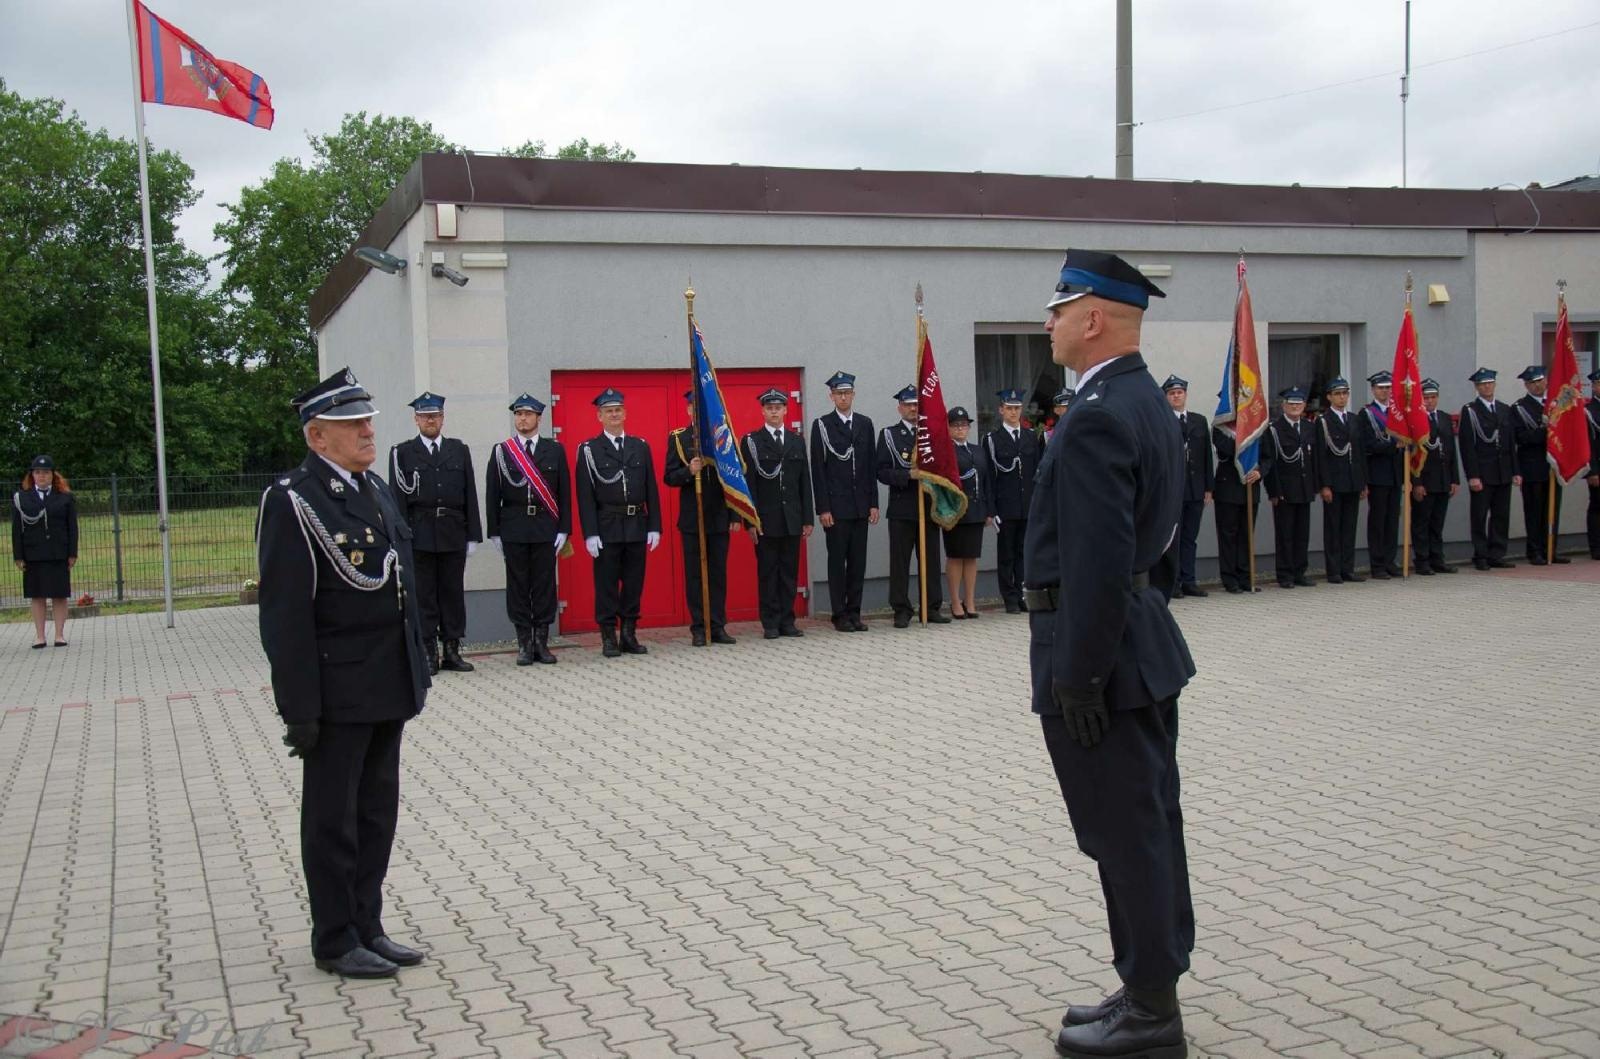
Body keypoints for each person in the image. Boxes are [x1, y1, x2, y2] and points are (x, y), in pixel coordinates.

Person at [1025, 249, 1195, 1058]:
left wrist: (1078, 678)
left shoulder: (1097, 413)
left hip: (1103, 653)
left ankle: (1153, 1012)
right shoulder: (1144, 399)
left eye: (1059, 307)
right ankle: (1146, 984)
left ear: (1093, 317)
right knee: (1145, 823)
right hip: (1137, 634)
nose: (1047, 321)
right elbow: (1151, 537)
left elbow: (1096, 558)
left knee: (1124, 832)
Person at [255, 367, 429, 979]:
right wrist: (298, 708)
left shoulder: (372, 488)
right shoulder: (293, 500)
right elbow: (285, 615)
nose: (365, 430)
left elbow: (400, 587)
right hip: (336, 689)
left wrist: (418, 670)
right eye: (351, 423)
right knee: (334, 819)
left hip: (387, 682)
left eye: (367, 419)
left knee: (377, 812)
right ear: (316, 436)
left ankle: (368, 924)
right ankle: (333, 937)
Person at [389, 392, 482, 675]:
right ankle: (428, 652)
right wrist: (400, 538)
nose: (431, 420)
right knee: (425, 595)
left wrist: (473, 535)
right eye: (425, 416)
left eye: (435, 415)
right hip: (420, 534)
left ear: (443, 418)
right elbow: (397, 500)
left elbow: (470, 494)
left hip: (453, 531)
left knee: (452, 593)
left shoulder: (458, 450)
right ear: (416, 420)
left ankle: (452, 651)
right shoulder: (402, 453)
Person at [575, 388, 661, 657]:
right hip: (607, 525)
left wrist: (654, 526)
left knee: (634, 583)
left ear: (625, 413)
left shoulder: (640, 446)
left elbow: (651, 489)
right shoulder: (589, 449)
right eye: (608, 411)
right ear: (599, 416)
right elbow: (585, 494)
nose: (614, 414)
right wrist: (590, 532)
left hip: (636, 522)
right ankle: (608, 636)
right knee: (607, 584)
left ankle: (629, 634)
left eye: (618, 409)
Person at [485, 394, 570, 666]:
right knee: (519, 586)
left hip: (545, 526)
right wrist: (495, 531)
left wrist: (564, 528)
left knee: (544, 586)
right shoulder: (502, 451)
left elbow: (564, 493)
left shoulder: (554, 450)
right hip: (515, 527)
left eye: (528, 414)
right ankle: (523, 643)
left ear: (539, 418)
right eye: (518, 414)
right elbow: (492, 493)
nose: (522, 419)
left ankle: (541, 644)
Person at [664, 390, 737, 646]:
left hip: (718, 516)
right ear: (688, 410)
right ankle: (698, 628)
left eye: (703, 408)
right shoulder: (678, 438)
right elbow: (669, 477)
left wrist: (734, 514)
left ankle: (717, 626)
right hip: (692, 518)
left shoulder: (722, 437)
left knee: (718, 574)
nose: (699, 412)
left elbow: (733, 478)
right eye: (694, 408)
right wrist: (688, 471)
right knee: (695, 575)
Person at [809, 371, 879, 632]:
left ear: (853, 395)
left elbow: (870, 466)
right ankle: (839, 613)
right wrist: (823, 508)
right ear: (831, 396)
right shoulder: (822, 425)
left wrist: (873, 502)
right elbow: (818, 470)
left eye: (847, 393)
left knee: (858, 562)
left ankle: (854, 612)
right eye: (838, 393)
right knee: (837, 562)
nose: (843, 397)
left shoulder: (865, 423)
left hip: (860, 505)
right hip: (836, 509)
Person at [876, 385, 951, 626]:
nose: (912, 409)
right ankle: (901, 609)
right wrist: (908, 475)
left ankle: (931, 607)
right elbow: (882, 472)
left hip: (928, 507)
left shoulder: (931, 434)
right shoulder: (889, 435)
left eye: (916, 405)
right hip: (901, 508)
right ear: (899, 407)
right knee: (900, 563)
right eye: (908, 404)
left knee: (930, 561)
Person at [743, 389, 813, 639]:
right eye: (769, 407)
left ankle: (787, 621)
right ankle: (770, 623)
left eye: (778, 407)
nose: (774, 411)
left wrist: (807, 518)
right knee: (768, 573)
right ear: (762, 411)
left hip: (792, 519)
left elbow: (805, 481)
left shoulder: (796, 441)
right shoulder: (752, 441)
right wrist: (750, 521)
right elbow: (748, 484)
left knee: (789, 573)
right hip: (766, 520)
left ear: (786, 410)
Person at [12, 455, 77, 649]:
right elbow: (17, 529)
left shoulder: (64, 497)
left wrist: (72, 553)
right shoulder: (21, 498)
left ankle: (59, 634)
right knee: (37, 595)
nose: (41, 476)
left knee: (59, 595)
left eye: (46, 472)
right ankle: (40, 636)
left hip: (58, 552)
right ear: (32, 475)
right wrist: (18, 555)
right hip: (34, 554)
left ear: (52, 475)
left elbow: (72, 527)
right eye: (37, 472)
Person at [984, 388, 1040, 613]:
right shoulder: (993, 439)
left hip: (1027, 505)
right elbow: (989, 476)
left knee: (1024, 553)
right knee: (1006, 554)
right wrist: (992, 508)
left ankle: (1023, 594)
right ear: (1001, 410)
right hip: (1005, 507)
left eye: (1017, 408)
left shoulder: (1030, 436)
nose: (1014, 412)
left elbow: (1037, 472)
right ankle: (1009, 598)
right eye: (1009, 408)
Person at [1459, 368, 1520, 570]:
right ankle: (1481, 555)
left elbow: (1511, 443)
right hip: (1483, 473)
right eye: (1482, 384)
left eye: (1490, 383)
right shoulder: (1470, 411)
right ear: (1476, 387)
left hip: (1503, 471)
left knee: (1501, 515)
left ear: (1494, 384)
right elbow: (1467, 446)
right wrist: (1473, 475)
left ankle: (1497, 554)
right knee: (1479, 515)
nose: (1487, 387)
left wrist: (1516, 471)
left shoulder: (1504, 409)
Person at [1512, 364, 1568, 565]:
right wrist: (1545, 429)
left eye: (1540, 381)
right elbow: (1521, 437)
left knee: (1552, 510)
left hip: (1553, 466)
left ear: (1546, 381)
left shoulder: (1555, 404)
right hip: (1532, 466)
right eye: (1532, 383)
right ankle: (1534, 551)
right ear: (1526, 385)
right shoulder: (1520, 408)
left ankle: (1551, 548)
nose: (1537, 386)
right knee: (1534, 511)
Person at [1163, 376, 1213, 597]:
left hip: (1195, 489)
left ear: (1185, 395)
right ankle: (1172, 583)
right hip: (1173, 490)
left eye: (1180, 392)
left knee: (1190, 538)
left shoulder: (1198, 421)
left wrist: (1208, 488)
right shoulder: (1162, 421)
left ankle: (1189, 580)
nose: (1176, 396)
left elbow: (1206, 458)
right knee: (1173, 539)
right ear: (1166, 397)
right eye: (1172, 393)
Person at [1212, 415, 1272, 594]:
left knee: (1247, 534)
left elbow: (1268, 456)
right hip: (1228, 487)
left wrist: (1260, 471)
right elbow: (1227, 450)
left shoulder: (1259, 425)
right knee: (1228, 535)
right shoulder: (1220, 426)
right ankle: (1230, 579)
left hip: (1250, 487)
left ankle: (1246, 577)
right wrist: (1247, 436)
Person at [1316, 378, 1367, 583]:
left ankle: (1348, 568)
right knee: (1333, 528)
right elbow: (1321, 456)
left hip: (1353, 481)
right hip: (1335, 483)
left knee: (1349, 527)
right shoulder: (1323, 421)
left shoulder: (1354, 419)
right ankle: (1334, 570)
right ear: (1329, 397)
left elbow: (1360, 453)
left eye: (1345, 393)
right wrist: (1325, 485)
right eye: (1337, 394)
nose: (1342, 397)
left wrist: (1363, 482)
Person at [1354, 371, 1405, 579]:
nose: (1385, 391)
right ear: (1373, 390)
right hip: (1377, 474)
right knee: (1378, 520)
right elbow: (1367, 445)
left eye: (1387, 388)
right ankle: (1377, 564)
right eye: (1381, 388)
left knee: (1393, 519)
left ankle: (1389, 560)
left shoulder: (1398, 413)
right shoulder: (1366, 414)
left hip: (1395, 474)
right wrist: (1393, 445)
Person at [1264, 387, 1316, 589]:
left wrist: (1316, 486)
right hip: (1285, 490)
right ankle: (1285, 574)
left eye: (1299, 404)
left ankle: (1299, 572)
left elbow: (1315, 460)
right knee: (1285, 534)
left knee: (1302, 534)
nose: (1295, 407)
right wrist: (1274, 491)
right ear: (1284, 406)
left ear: (1304, 406)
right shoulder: (1274, 429)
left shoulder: (1310, 427)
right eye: (1291, 404)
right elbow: (1271, 463)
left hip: (1304, 488)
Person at [944, 407, 991, 619]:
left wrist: (990, 510)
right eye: (955, 425)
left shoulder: (978, 450)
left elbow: (987, 480)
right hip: (956, 511)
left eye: (964, 425)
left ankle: (970, 600)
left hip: (977, 510)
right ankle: (955, 601)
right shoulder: (946, 450)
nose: (961, 429)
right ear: (948, 428)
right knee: (955, 556)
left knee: (971, 556)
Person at [1410, 379, 1459, 574]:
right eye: (1426, 397)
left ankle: (1437, 559)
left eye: (1433, 397)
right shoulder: (1415, 419)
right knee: (1422, 523)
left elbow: (1451, 451)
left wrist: (1455, 479)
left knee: (1437, 523)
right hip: (1425, 479)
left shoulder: (1445, 418)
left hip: (1443, 479)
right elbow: (1413, 454)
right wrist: (1416, 483)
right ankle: (1422, 561)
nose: (1430, 401)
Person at [1587, 369, 1600, 559]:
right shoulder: (1588, 411)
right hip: (1598, 466)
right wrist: (1592, 471)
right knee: (1597, 507)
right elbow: (1587, 444)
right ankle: (1596, 547)